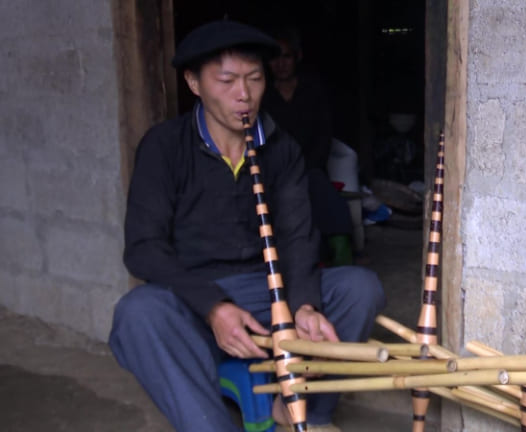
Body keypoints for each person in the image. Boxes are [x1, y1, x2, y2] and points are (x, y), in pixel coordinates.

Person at [108, 20, 386, 432]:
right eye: (227, 81)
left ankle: (300, 411)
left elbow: (296, 237)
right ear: (194, 83)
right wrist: (214, 307)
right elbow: (143, 247)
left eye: (255, 79)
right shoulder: (165, 146)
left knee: (359, 288)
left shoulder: (281, 148)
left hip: (265, 289)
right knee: (137, 313)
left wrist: (304, 305)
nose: (244, 94)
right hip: (194, 294)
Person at [262, 27, 355, 266]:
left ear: (297, 57)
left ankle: (341, 255)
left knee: (321, 194)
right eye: (275, 57)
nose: (280, 64)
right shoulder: (261, 95)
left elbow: (324, 135)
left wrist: (306, 167)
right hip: (271, 169)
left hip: (309, 166)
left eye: (286, 57)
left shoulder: (312, 90)